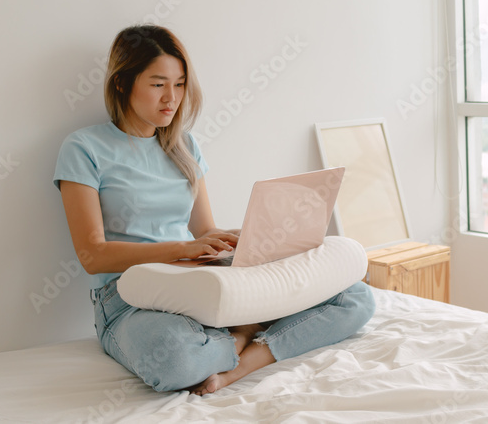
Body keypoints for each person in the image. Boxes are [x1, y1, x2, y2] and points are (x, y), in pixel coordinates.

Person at [53, 24, 374, 395]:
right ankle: (243, 333)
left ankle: (239, 358)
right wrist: (180, 249)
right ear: (122, 83)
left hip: (196, 281)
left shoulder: (184, 145)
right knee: (174, 358)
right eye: (158, 84)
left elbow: (204, 230)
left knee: (354, 297)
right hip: (126, 296)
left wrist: (253, 238)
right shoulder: (84, 148)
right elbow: (92, 255)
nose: (171, 98)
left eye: (180, 84)